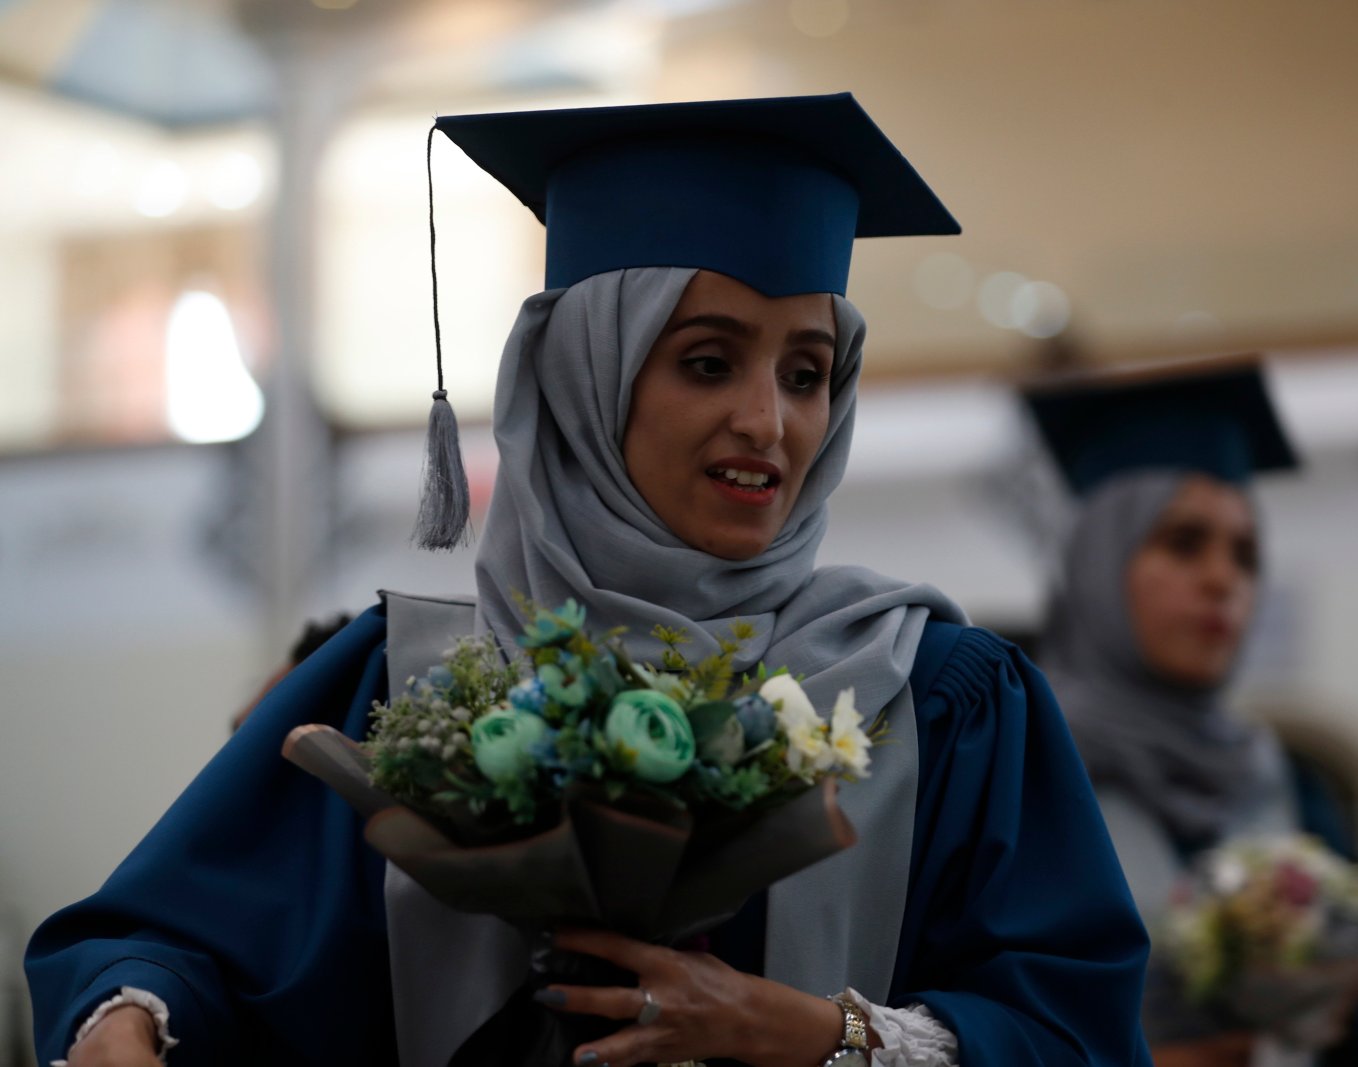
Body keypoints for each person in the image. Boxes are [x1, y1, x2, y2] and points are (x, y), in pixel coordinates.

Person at [28, 94, 1153, 1067]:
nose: (767, 422)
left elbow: (1076, 1034)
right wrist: (128, 1018)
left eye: (807, 373)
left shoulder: (933, 699)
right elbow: (171, 939)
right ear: (581, 378)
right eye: (708, 361)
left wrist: (813, 1033)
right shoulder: (403, 680)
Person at [1024, 361, 1358, 1067]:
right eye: (1184, 542)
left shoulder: (1290, 785)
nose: (1224, 579)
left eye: (1246, 554)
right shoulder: (1017, 776)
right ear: (1098, 558)